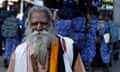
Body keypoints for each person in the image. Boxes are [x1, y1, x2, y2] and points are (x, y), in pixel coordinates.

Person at [7, 6, 85, 72]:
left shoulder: (68, 48)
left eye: (43, 23)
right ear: (28, 26)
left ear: (51, 25)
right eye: (34, 24)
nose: (39, 28)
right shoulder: (18, 54)